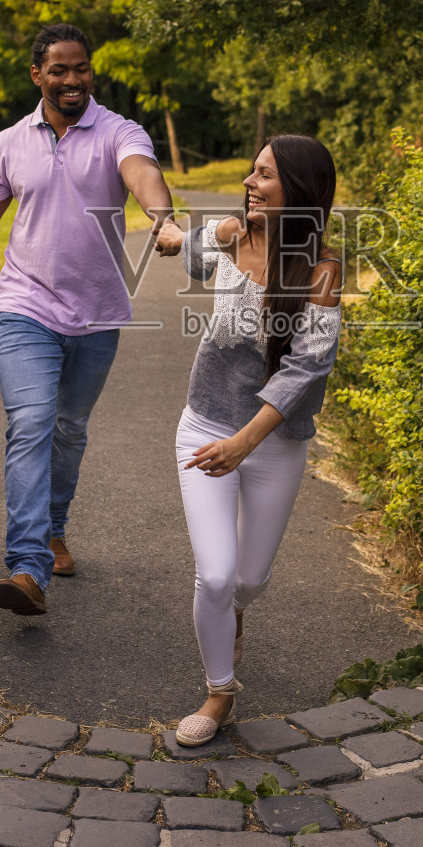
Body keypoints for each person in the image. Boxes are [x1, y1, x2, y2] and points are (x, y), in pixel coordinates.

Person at [0, 22, 175, 615]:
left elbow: (143, 175)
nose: (71, 79)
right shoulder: (9, 143)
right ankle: (28, 566)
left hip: (99, 314)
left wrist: (161, 218)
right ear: (37, 75)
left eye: (80, 68)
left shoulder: (118, 131)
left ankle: (54, 524)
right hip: (25, 307)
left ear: (91, 72)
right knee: (31, 423)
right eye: (58, 69)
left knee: (68, 429)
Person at [154, 135, 342, 744]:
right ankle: (219, 693)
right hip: (205, 424)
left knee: (248, 582)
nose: (249, 183)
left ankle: (233, 613)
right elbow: (191, 255)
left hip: (273, 443)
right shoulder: (234, 235)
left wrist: (246, 442)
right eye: (250, 173)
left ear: (299, 190)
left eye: (263, 175)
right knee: (214, 575)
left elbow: (307, 367)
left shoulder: (322, 270)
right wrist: (177, 237)